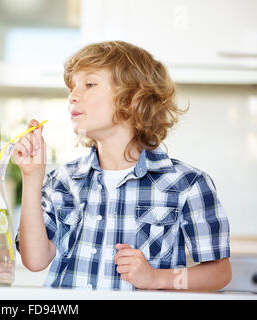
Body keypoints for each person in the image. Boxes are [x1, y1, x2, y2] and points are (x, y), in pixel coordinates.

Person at [14, 41, 231, 291]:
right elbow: (35, 260)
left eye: (90, 84)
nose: (73, 95)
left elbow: (220, 273)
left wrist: (157, 278)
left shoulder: (187, 185)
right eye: (72, 87)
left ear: (132, 98)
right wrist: (32, 178)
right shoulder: (63, 180)